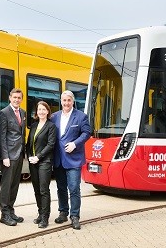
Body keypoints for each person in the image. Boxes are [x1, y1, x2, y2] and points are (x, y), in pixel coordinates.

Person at [51, 90, 91, 230]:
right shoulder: (54, 116)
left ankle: (75, 216)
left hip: (74, 159)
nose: (66, 103)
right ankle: (63, 212)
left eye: (69, 100)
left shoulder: (81, 117)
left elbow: (87, 133)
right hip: (58, 159)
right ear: (61, 101)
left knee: (74, 188)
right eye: (64, 100)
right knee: (61, 188)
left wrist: (75, 143)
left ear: (72, 101)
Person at [26, 101, 56, 228]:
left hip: (44, 161)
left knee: (44, 190)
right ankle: (40, 213)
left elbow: (51, 145)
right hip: (33, 162)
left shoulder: (51, 126)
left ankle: (45, 217)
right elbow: (28, 144)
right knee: (36, 189)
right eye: (39, 109)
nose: (41, 112)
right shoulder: (33, 126)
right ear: (36, 112)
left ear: (48, 111)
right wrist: (29, 158)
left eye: (44, 109)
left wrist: (38, 157)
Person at [0, 88, 26, 226]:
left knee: (15, 185)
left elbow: (22, 134)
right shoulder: (4, 113)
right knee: (6, 185)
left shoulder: (23, 112)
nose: (16, 100)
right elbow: (1, 137)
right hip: (9, 155)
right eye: (14, 97)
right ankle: (4, 214)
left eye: (19, 98)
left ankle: (10, 210)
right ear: (10, 98)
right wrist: (5, 156)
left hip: (20, 154)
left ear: (21, 99)